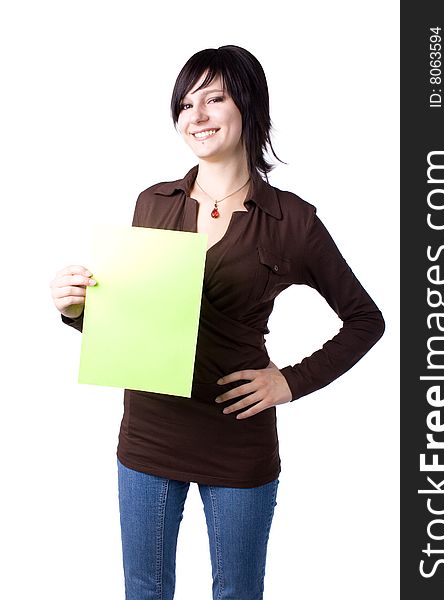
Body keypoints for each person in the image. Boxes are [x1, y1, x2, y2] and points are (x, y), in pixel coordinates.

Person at [50, 45, 385, 600]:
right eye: (185, 105)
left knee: (237, 593)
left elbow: (365, 320)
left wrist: (289, 382)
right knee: (145, 590)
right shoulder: (153, 203)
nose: (196, 117)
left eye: (214, 99)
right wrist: (77, 311)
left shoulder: (291, 221)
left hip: (238, 440)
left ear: (248, 106)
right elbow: (139, 326)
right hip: (150, 435)